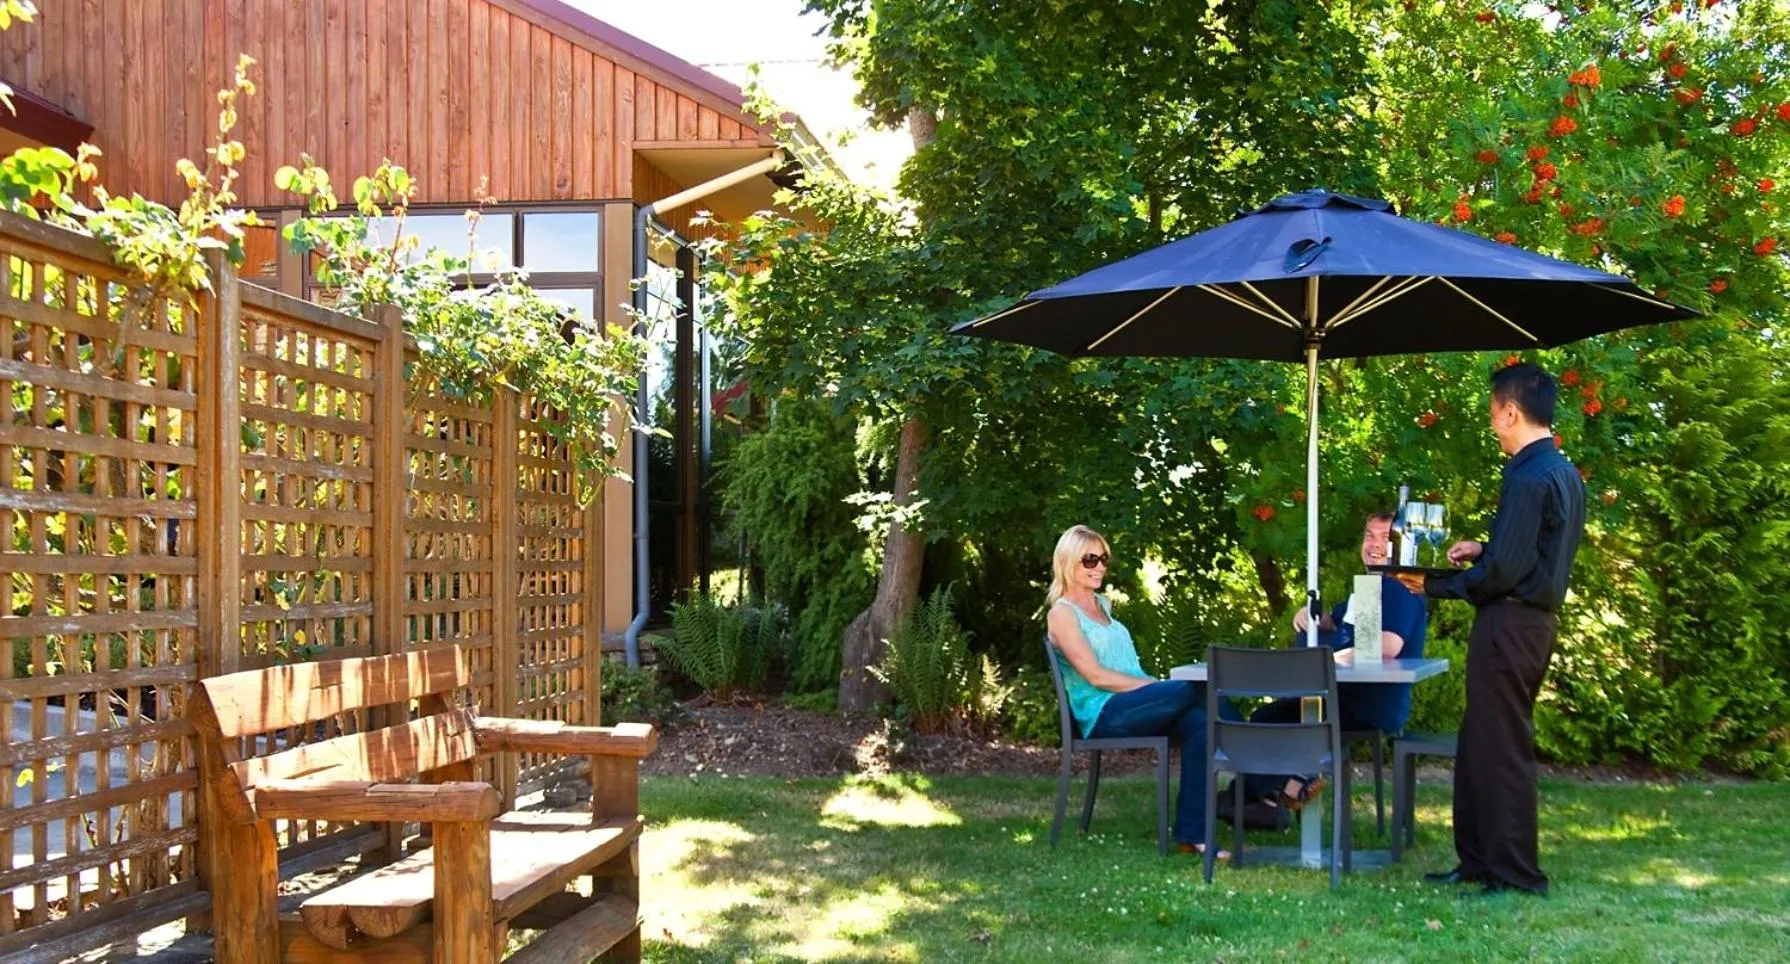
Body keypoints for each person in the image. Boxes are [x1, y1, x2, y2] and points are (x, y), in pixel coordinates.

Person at [1395, 362, 1585, 898]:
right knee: (1480, 743)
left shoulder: (1528, 476)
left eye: (1494, 417)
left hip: (1512, 623)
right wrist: (1484, 548)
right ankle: (1477, 859)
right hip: (1529, 623)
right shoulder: (1561, 472)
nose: (1493, 428)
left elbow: (1504, 576)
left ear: (1510, 411)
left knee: (1501, 748)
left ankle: (1517, 873)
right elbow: (1530, 552)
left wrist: (1433, 585)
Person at [1226, 511, 1429, 811]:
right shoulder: (1371, 587)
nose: (1374, 544)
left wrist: (1337, 656)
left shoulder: (1399, 587)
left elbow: (1388, 645)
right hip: (1337, 698)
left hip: (1367, 707)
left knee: (1269, 723)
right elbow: (1335, 624)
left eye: (1385, 538)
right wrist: (1308, 615)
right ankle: (1267, 800)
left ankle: (1264, 797)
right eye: (1369, 535)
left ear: (1400, 547)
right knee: (1265, 719)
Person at [1045, 524, 1226, 859]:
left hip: (1134, 704)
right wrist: (1157, 687)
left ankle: (1193, 835)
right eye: (1090, 559)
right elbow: (1095, 676)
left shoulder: (1103, 606)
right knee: (1198, 687)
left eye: (1103, 559)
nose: (1100, 566)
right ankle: (1262, 757)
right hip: (1104, 713)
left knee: (1202, 720)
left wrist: (1154, 689)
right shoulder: (1062, 614)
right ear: (1068, 561)